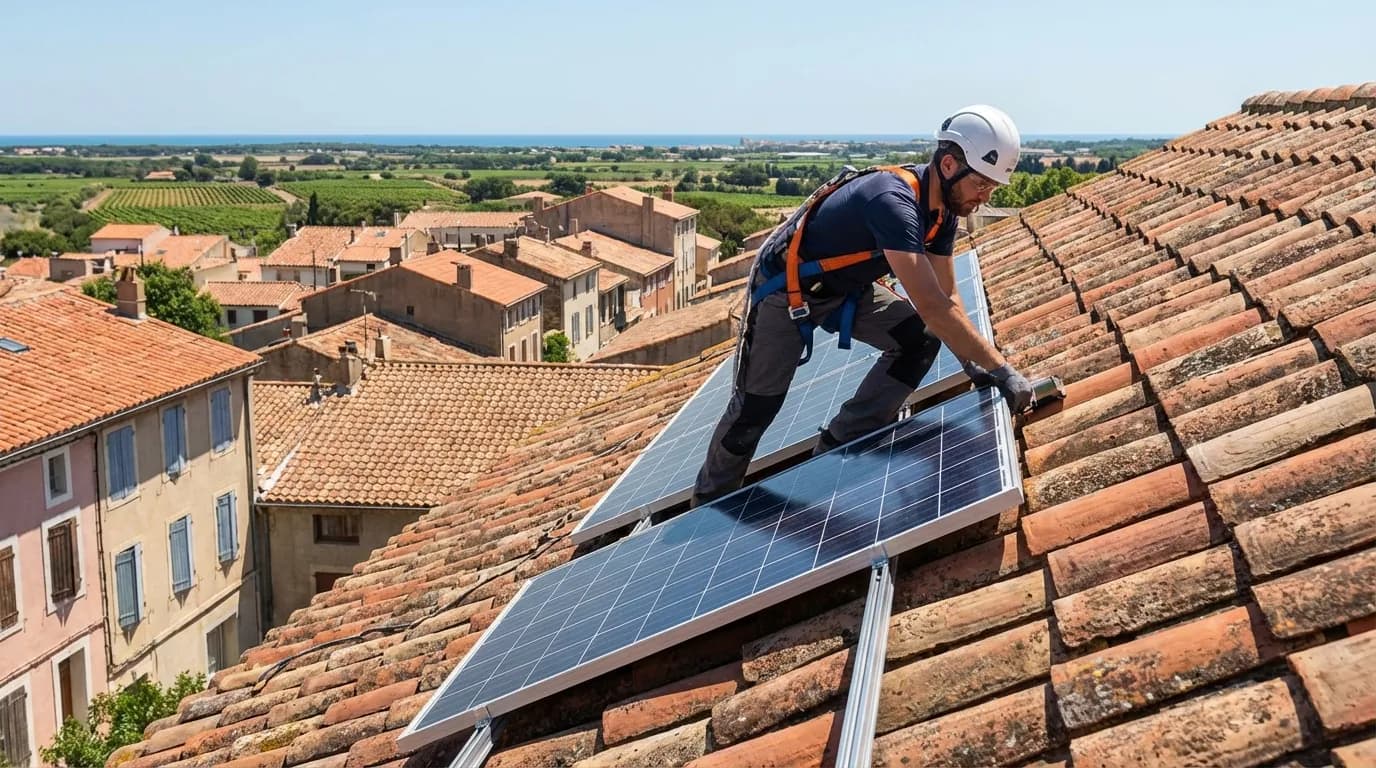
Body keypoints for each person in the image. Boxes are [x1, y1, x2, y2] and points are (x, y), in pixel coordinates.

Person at [692, 105, 1034, 507]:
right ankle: (709, 504)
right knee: (757, 406)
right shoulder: (893, 201)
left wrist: (974, 363)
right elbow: (932, 306)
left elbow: (949, 297)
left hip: (845, 289)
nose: (985, 197)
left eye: (993, 188)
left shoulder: (942, 214)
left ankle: (840, 444)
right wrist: (1002, 370)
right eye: (981, 184)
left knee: (919, 340)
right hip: (788, 293)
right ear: (947, 165)